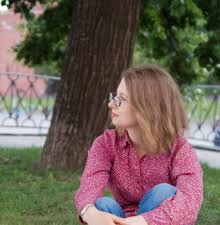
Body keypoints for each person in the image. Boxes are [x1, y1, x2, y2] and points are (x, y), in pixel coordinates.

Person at [74, 65, 203, 225]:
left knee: (164, 192)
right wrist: (89, 211)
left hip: (158, 221)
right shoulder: (106, 144)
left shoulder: (180, 150)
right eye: (115, 96)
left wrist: (141, 221)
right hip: (119, 219)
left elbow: (190, 202)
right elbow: (89, 186)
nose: (111, 104)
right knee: (102, 206)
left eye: (122, 99)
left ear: (148, 107)